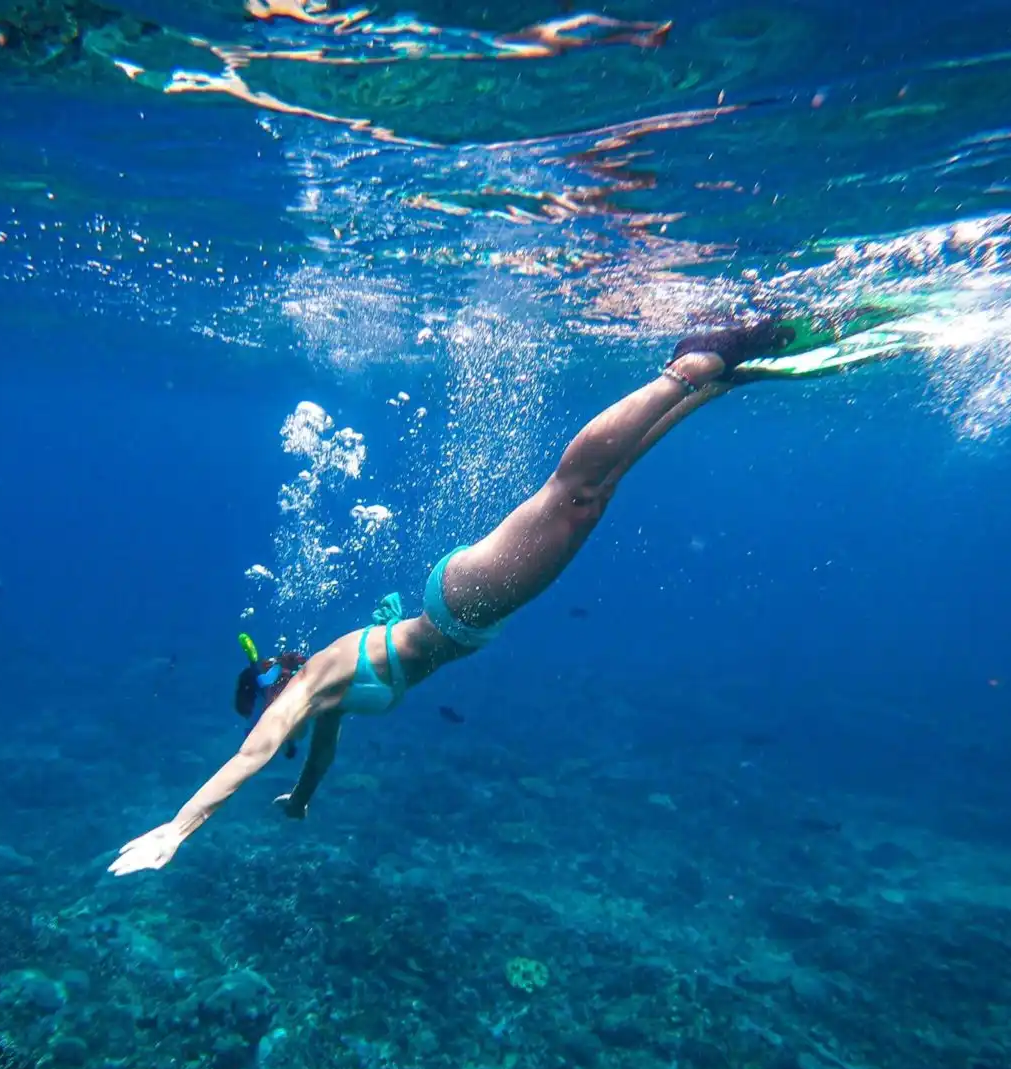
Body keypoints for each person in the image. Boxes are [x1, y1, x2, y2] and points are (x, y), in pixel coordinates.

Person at [108, 317, 807, 875]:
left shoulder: (310, 684)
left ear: (274, 683)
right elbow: (319, 754)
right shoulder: (325, 698)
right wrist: (304, 800)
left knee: (574, 496)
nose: (271, 711)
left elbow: (249, 758)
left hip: (462, 604)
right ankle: (713, 385)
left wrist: (178, 829)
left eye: (265, 695)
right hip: (468, 612)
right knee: (591, 499)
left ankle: (689, 366)